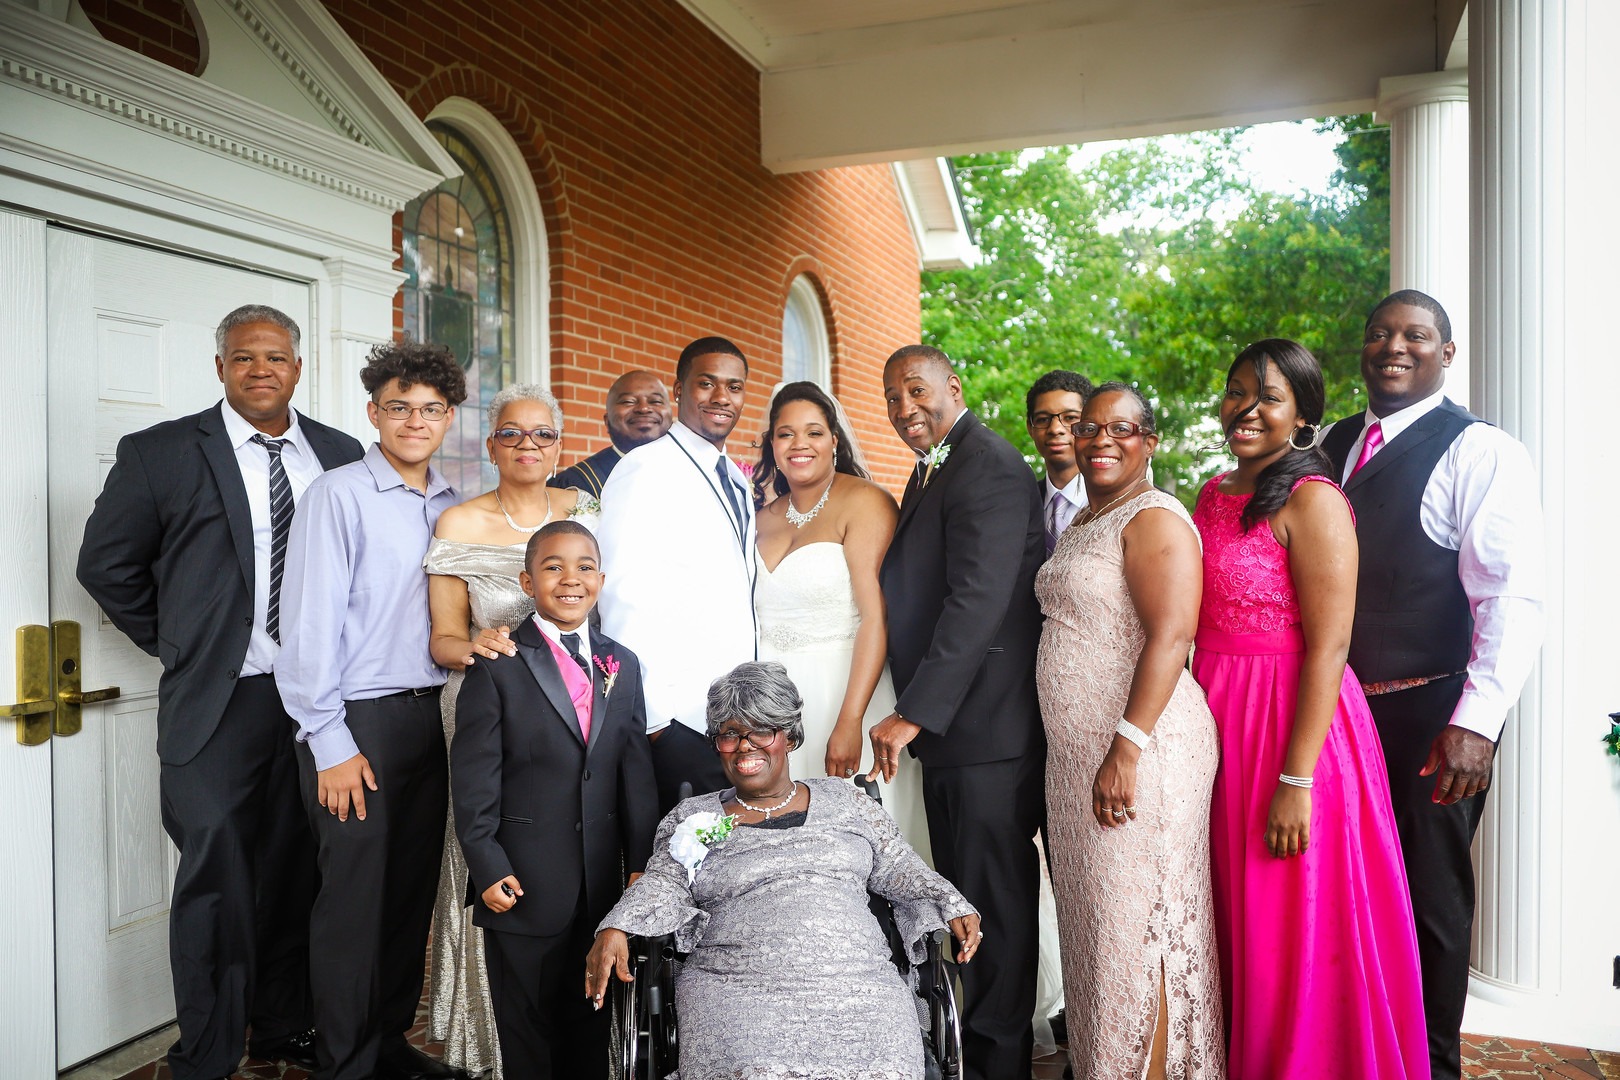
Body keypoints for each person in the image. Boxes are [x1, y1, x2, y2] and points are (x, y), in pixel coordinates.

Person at [75, 305, 361, 1080]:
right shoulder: (161, 453)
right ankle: (205, 1055)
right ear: (221, 367)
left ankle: (281, 1027)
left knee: (298, 871)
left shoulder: (340, 454)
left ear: (297, 367)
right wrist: (183, 644)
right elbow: (106, 565)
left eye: (275, 356)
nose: (260, 369)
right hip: (219, 703)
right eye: (243, 357)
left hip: (315, 705)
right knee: (217, 881)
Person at [1320, 290, 1545, 1080]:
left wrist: (1475, 723)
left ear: (1447, 354)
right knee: (1343, 893)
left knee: (1429, 901)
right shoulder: (1335, 442)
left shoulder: (1481, 450)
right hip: (1338, 716)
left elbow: (1510, 596)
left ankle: (1432, 1066)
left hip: (1433, 714)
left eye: (1416, 335)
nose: (1395, 346)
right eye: (1380, 333)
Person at [1192, 340, 1427, 1079]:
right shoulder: (1211, 493)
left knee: (1291, 911)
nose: (1245, 409)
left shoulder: (1315, 500)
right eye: (1236, 392)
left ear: (1302, 416)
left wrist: (1296, 780)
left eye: (1268, 397)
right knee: (1231, 906)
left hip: (1294, 724)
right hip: (1218, 716)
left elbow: (1331, 646)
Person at [584, 661, 981, 1080]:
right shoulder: (693, 818)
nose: (744, 746)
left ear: (789, 736)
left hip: (858, 983)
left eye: (761, 731)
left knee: (885, 1068)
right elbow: (664, 883)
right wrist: (617, 927)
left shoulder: (848, 803)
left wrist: (950, 902)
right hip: (735, 989)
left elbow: (900, 867)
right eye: (729, 734)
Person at [276, 341, 468, 1080]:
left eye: (430, 409)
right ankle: (346, 1063)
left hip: (431, 719)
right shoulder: (338, 495)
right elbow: (308, 626)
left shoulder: (451, 505)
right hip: (358, 723)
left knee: (408, 898)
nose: (415, 421)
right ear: (374, 413)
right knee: (354, 903)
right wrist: (329, 741)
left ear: (448, 417)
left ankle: (387, 1044)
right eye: (399, 408)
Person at [1035, 383, 1224, 1079]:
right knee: (1096, 936)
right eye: (1090, 427)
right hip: (1078, 758)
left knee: (1140, 932)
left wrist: (1127, 746)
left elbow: (1171, 635)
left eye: (1121, 428)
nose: (1101, 440)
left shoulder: (1154, 518)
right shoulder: (1088, 518)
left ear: (1150, 441)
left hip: (1142, 751)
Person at [872, 345, 1045, 1080]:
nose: (905, 408)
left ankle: (998, 1065)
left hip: (986, 733)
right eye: (892, 398)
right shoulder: (937, 465)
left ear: (954, 386)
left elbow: (979, 600)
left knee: (992, 910)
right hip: (959, 736)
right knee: (965, 904)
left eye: (917, 390)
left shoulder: (988, 465)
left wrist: (914, 711)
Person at [423, 383, 597, 1077]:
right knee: (488, 838)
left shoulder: (586, 511)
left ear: (560, 445)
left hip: (577, 705)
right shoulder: (459, 521)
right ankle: (489, 1038)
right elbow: (442, 638)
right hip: (486, 701)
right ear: (491, 445)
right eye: (512, 433)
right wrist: (483, 648)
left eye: (543, 434)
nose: (529, 445)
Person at [452, 520, 658, 1079]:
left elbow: (634, 773)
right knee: (528, 1032)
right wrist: (487, 863)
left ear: (601, 580)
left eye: (585, 567)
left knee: (589, 1025)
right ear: (527, 582)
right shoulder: (497, 663)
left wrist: (640, 864)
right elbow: (473, 779)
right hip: (521, 883)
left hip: (599, 888)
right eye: (553, 567)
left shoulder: (623, 664)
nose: (571, 579)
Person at [752, 381, 929, 858]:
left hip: (845, 691)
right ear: (772, 444)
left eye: (813, 432)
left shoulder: (866, 502)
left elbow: (876, 618)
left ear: (834, 439)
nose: (800, 444)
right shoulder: (760, 518)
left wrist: (850, 721)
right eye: (786, 434)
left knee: (860, 844)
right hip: (772, 706)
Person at [597, 336, 757, 812]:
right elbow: (622, 595)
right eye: (707, 384)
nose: (721, 397)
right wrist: (655, 721)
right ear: (679, 389)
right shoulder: (645, 468)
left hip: (736, 715)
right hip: (678, 722)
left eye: (734, 387)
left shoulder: (736, 478)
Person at [549, 369, 672, 498]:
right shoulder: (575, 483)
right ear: (607, 421)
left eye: (656, 401)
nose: (644, 408)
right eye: (628, 401)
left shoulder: (684, 468)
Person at [1026, 368, 1094, 556]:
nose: (1055, 429)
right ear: (1030, 428)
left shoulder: (1122, 502)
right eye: (1043, 419)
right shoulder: (1019, 502)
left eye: (1070, 418)